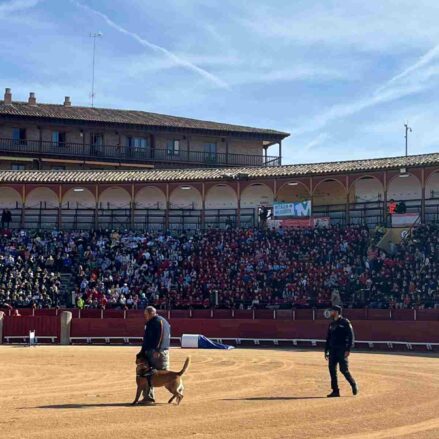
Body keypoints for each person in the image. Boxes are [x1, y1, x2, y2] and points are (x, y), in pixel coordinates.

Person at [137, 306, 171, 404]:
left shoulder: (158, 321)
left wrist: (158, 349)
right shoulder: (155, 322)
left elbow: (162, 335)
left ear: (152, 312)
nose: (145, 316)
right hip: (152, 352)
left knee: (162, 374)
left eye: (146, 314)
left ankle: (177, 389)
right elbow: (147, 339)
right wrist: (142, 351)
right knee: (149, 374)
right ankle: (148, 397)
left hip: (157, 353)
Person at [324, 305, 358, 397]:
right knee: (332, 370)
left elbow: (351, 336)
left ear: (337, 312)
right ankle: (335, 391)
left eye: (332, 311)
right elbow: (328, 338)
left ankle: (353, 384)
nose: (330, 312)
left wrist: (348, 349)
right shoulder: (331, 324)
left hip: (342, 349)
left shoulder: (345, 322)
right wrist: (326, 351)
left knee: (343, 370)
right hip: (332, 350)